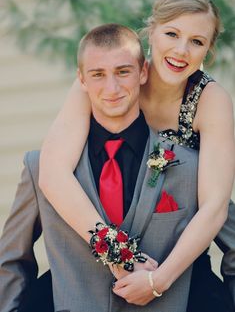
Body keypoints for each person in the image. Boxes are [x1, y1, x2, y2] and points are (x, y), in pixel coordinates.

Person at [38, 0, 235, 310]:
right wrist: (116, 252)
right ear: (151, 31)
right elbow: (53, 173)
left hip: (180, 233)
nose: (181, 50)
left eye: (197, 42)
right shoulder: (114, 75)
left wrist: (159, 282)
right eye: (172, 33)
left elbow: (214, 207)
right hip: (107, 227)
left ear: (207, 51)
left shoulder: (211, 100)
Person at [0, 23, 210, 312]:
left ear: (143, 72)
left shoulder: (191, 164)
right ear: (82, 80)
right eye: (98, 75)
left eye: (123, 71)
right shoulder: (40, 167)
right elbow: (11, 261)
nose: (111, 88)